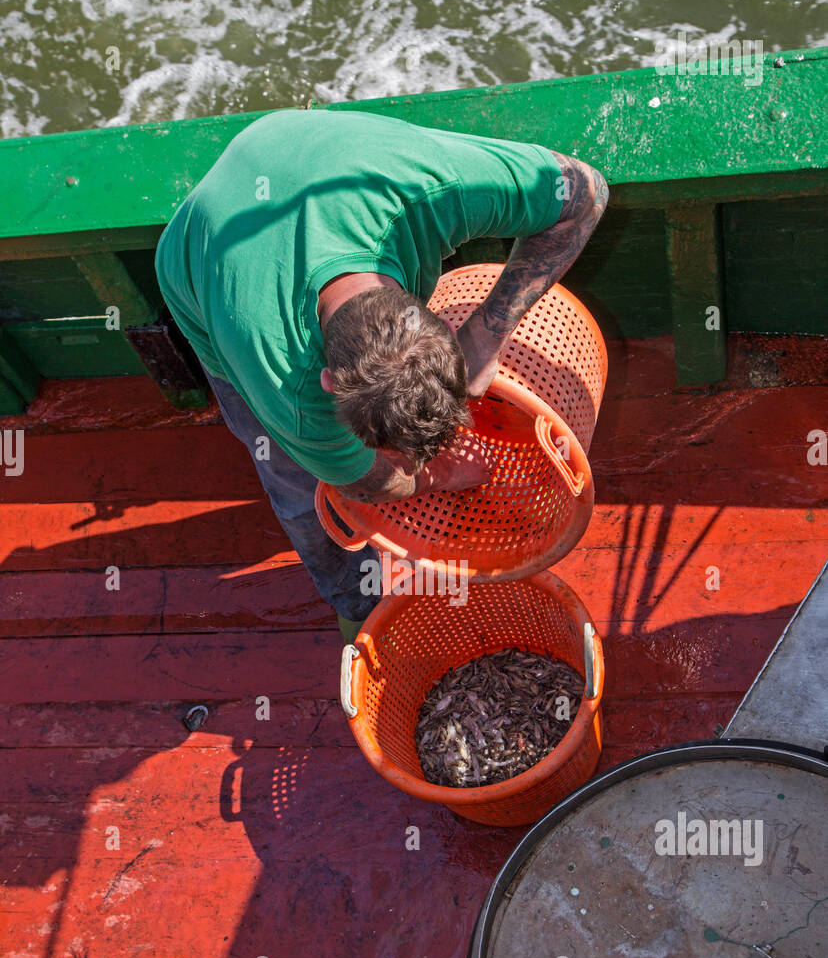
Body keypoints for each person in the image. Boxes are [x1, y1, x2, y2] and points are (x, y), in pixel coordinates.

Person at [155, 108, 607, 639]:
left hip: (300, 144)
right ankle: (353, 597)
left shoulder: (436, 192)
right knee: (296, 482)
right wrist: (441, 475)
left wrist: (488, 331)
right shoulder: (295, 394)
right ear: (327, 383)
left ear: (438, 320)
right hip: (198, 257)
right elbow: (367, 483)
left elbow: (587, 193)